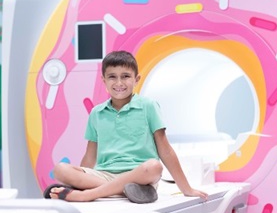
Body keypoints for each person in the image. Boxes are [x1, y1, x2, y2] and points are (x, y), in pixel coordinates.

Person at [44, 50, 208, 203]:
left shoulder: (148, 106)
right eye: (112, 77)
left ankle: (87, 195)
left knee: (154, 166)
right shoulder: (97, 113)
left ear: (136, 79)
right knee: (61, 169)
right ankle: (123, 192)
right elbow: (90, 155)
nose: (119, 83)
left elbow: (165, 150)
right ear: (104, 80)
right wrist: (78, 179)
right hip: (104, 174)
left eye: (125, 76)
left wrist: (186, 188)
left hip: (139, 176)